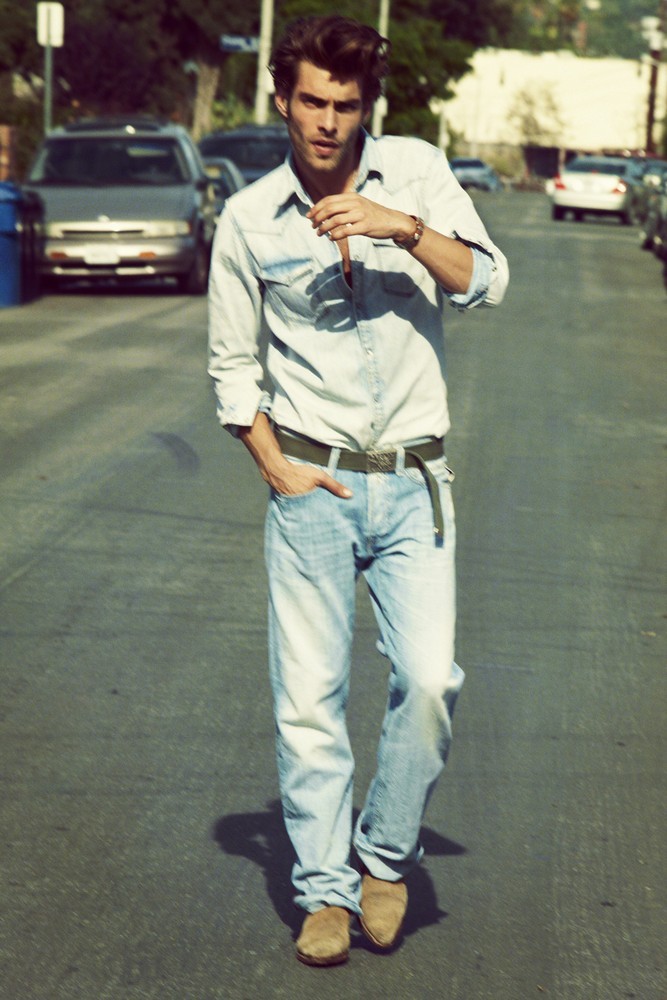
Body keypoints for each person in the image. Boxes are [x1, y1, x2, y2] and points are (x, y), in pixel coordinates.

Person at [208, 14, 509, 967]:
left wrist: (402, 228)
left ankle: (383, 855)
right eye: (310, 101)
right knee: (309, 701)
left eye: (344, 104)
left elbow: (486, 281)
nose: (326, 122)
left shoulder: (415, 172)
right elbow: (231, 367)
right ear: (282, 99)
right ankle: (324, 892)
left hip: (416, 480)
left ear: (366, 106)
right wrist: (274, 466)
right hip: (313, 481)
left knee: (429, 681)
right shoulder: (249, 217)